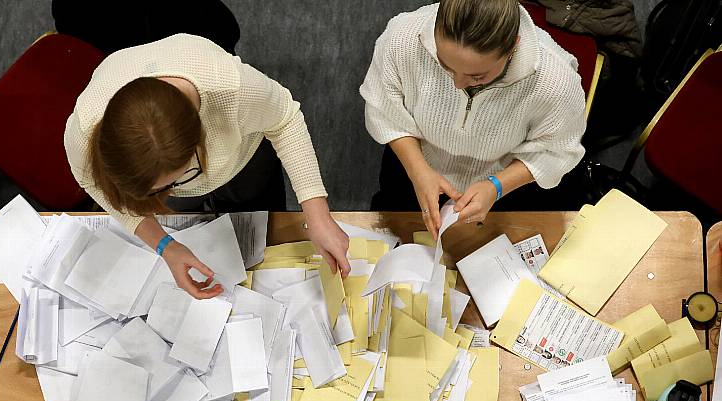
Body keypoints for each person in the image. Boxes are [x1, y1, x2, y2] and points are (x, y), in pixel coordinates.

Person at [65, 34, 350, 299]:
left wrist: (317, 214)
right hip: (178, 182)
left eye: (175, 180)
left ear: (201, 140)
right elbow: (91, 181)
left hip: (243, 161)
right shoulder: (86, 130)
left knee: (260, 225)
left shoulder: (231, 88)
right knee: (188, 223)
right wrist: (165, 246)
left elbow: (285, 118)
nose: (167, 192)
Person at [361, 0, 587, 238]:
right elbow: (385, 109)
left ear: (513, 48)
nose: (457, 84)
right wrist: (418, 171)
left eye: (477, 76)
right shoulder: (403, 37)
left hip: (507, 185)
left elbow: (557, 150)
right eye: (445, 65)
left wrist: (496, 186)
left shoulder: (555, 79)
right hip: (418, 164)